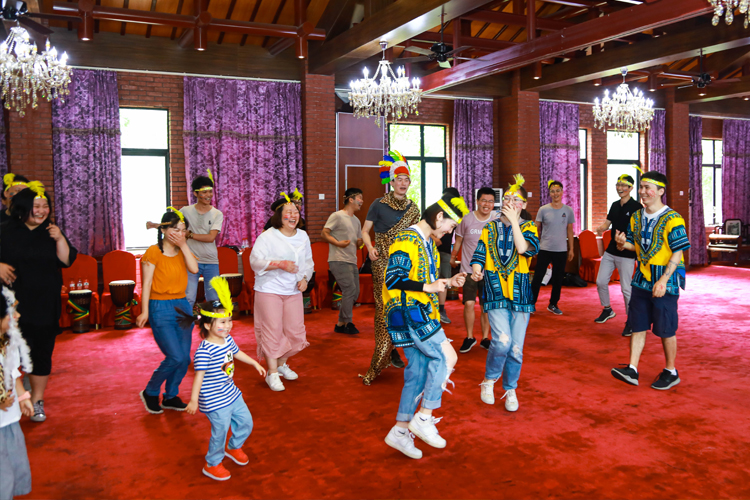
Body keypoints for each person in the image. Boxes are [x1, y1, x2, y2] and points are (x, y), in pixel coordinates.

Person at [383, 193, 469, 459]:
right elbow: (393, 279)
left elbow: (424, 279)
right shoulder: (407, 239)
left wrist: (447, 282)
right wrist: (429, 287)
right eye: (450, 226)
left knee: (418, 371)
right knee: (447, 357)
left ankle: (399, 431)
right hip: (411, 311)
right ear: (439, 217)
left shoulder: (427, 241)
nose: (450, 231)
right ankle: (424, 417)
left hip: (414, 310)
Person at [0, 183, 77, 423]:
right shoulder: (5, 231)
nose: (42, 211)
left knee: (41, 353)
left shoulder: (51, 232)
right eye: (36, 206)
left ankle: (37, 399)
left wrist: (60, 238)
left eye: (45, 206)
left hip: (45, 304)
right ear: (23, 208)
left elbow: (66, 260)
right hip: (10, 307)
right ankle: (10, 395)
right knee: (9, 352)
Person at [611, 171, 690, 391]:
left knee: (666, 328)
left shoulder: (673, 218)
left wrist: (664, 280)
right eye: (641, 187)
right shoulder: (636, 216)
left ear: (661, 191)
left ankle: (671, 371)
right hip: (641, 280)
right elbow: (637, 246)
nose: (642, 191)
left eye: (648, 188)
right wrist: (622, 244)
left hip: (665, 282)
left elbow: (678, 252)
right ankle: (632, 368)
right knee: (638, 325)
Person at [186, 277, 266, 481]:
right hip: (213, 399)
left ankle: (234, 446)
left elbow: (237, 353)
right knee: (219, 432)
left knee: (246, 422)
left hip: (231, 392)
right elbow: (198, 377)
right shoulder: (204, 352)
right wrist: (194, 400)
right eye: (223, 322)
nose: (229, 325)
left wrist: (254, 363)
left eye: (229, 321)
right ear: (207, 325)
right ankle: (212, 464)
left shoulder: (227, 339)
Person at [471, 175, 539, 412]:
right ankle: (489, 379)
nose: (510, 202)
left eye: (515, 199)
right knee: (502, 341)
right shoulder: (490, 227)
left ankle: (510, 388)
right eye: (507, 198)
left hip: (521, 294)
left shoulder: (529, 227)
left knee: (516, 348)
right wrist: (477, 269)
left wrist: (515, 222)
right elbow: (479, 253)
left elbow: (523, 249)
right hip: (495, 290)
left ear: (524, 205)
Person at [360, 151, 421, 385]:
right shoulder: (378, 204)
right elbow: (365, 231)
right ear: (392, 182)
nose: (403, 183)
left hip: (405, 263)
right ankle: (381, 356)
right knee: (384, 309)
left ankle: (395, 348)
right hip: (382, 261)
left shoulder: (414, 208)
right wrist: (370, 247)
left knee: (405, 307)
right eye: (399, 179)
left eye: (407, 179)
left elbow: (415, 238)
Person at [137, 208, 199, 414]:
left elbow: (194, 269)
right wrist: (145, 311)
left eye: (183, 230)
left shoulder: (183, 250)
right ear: (163, 230)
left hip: (182, 306)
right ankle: (151, 391)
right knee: (176, 357)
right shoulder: (153, 252)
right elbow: (146, 284)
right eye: (175, 229)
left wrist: (184, 245)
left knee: (185, 358)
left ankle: (171, 395)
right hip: (160, 306)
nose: (180, 234)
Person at [250, 196, 313, 392]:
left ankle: (281, 364)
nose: (293, 215)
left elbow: (308, 262)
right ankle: (272, 373)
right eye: (288, 212)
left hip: (293, 290)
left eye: (296, 212)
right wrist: (279, 264)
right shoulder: (268, 237)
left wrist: (305, 278)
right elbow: (255, 262)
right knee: (272, 331)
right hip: (269, 289)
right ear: (279, 216)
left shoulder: (303, 236)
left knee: (295, 331)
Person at [146, 171, 224, 309]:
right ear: (195, 193)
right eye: (204, 192)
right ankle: (185, 322)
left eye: (210, 192)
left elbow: (211, 237)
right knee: (188, 297)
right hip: (190, 260)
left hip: (211, 261)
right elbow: (171, 225)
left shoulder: (217, 214)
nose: (208, 195)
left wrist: (189, 235)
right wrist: (155, 225)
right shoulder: (185, 211)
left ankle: (213, 323)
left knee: (214, 299)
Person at [593, 174, 642, 336]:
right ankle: (607, 309)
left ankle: (631, 321)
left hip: (627, 253)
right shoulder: (614, 205)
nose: (620, 188)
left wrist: (629, 245)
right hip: (611, 251)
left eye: (623, 185)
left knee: (626, 289)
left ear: (630, 188)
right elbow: (607, 224)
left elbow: (638, 232)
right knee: (600, 281)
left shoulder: (637, 208)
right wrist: (600, 229)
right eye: (618, 185)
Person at [452, 187, 496, 353]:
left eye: (490, 201)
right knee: (469, 304)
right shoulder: (467, 219)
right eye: (484, 200)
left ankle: (485, 338)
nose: (487, 204)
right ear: (477, 201)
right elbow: (458, 241)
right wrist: (453, 256)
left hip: (488, 271)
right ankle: (470, 337)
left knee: (486, 307)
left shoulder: (496, 219)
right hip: (468, 270)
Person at [0, 286, 34, 499]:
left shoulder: (7, 341)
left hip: (9, 422)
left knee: (14, 468)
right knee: (3, 477)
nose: (18, 315)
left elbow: (14, 373)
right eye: (12, 312)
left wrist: (23, 397)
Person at [321, 188, 364, 334]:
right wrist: (338, 243)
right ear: (351, 199)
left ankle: (340, 324)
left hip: (352, 260)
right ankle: (348, 323)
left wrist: (360, 242)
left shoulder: (356, 220)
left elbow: (358, 242)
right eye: (360, 198)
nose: (362, 201)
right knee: (349, 289)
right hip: (338, 259)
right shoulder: (337, 216)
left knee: (355, 292)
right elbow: (324, 233)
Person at [530, 180, 575, 315]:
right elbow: (535, 228)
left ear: (562, 192)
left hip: (561, 250)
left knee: (558, 278)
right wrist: (533, 245)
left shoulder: (568, 210)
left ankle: (553, 304)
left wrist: (571, 249)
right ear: (549, 193)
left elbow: (570, 231)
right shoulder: (543, 209)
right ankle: (531, 303)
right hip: (544, 248)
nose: (555, 194)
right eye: (552, 191)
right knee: (538, 277)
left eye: (557, 191)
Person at [436, 187, 461, 325]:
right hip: (430, 251)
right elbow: (423, 229)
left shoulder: (455, 214)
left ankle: (441, 309)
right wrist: (434, 239)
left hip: (445, 252)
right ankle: (430, 309)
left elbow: (458, 236)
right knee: (430, 279)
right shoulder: (434, 211)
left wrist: (453, 255)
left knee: (445, 280)